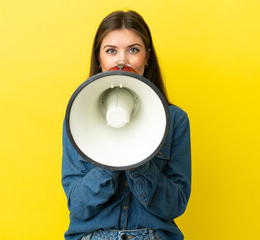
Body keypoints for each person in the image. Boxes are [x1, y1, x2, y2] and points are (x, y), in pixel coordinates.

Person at [62, 10, 191, 240]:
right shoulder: (77, 117)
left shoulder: (175, 120)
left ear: (147, 57)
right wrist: (110, 158)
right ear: (99, 59)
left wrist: (138, 162)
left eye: (133, 50)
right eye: (111, 51)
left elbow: (176, 205)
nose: (122, 60)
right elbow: (78, 205)